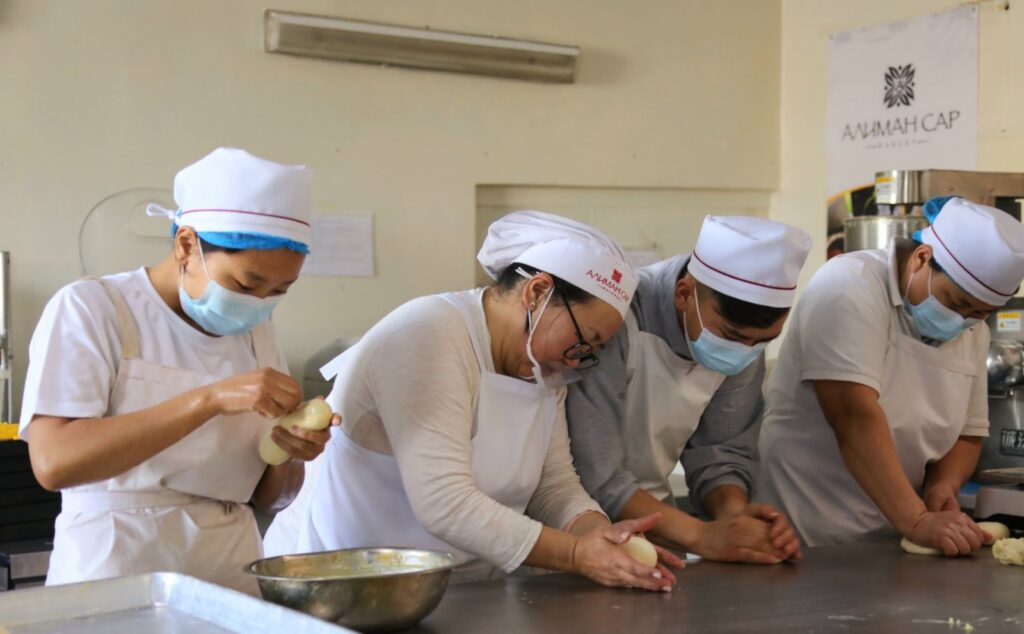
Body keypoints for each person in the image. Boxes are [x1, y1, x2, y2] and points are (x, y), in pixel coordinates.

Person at [265, 211, 684, 591]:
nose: (579, 360)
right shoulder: (428, 335)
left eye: (593, 350)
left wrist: (598, 534)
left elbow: (554, 483)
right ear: (537, 292)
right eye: (582, 340)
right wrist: (576, 554)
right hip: (350, 585)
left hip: (456, 591)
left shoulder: (542, 365)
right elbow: (443, 502)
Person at [20, 147, 333, 592]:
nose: (260, 303)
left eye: (280, 289)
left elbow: (270, 497)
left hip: (229, 572)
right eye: (246, 284)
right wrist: (208, 400)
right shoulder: (95, 309)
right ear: (186, 245)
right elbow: (54, 463)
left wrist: (290, 451)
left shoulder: (258, 334)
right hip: (117, 568)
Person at [757, 197, 1024, 555]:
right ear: (922, 258)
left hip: (894, 533)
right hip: (806, 527)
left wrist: (942, 487)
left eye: (981, 312)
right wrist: (916, 519)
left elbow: (968, 432)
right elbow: (853, 416)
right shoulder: (850, 285)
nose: (964, 320)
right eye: (957, 303)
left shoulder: (974, 330)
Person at [567, 215, 808, 564]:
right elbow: (596, 473)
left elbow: (721, 453)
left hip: (658, 520)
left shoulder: (744, 346)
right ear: (683, 294)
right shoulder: (616, 317)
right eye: (732, 336)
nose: (744, 351)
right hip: (574, 524)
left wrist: (736, 520)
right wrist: (702, 535)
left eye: (762, 342)